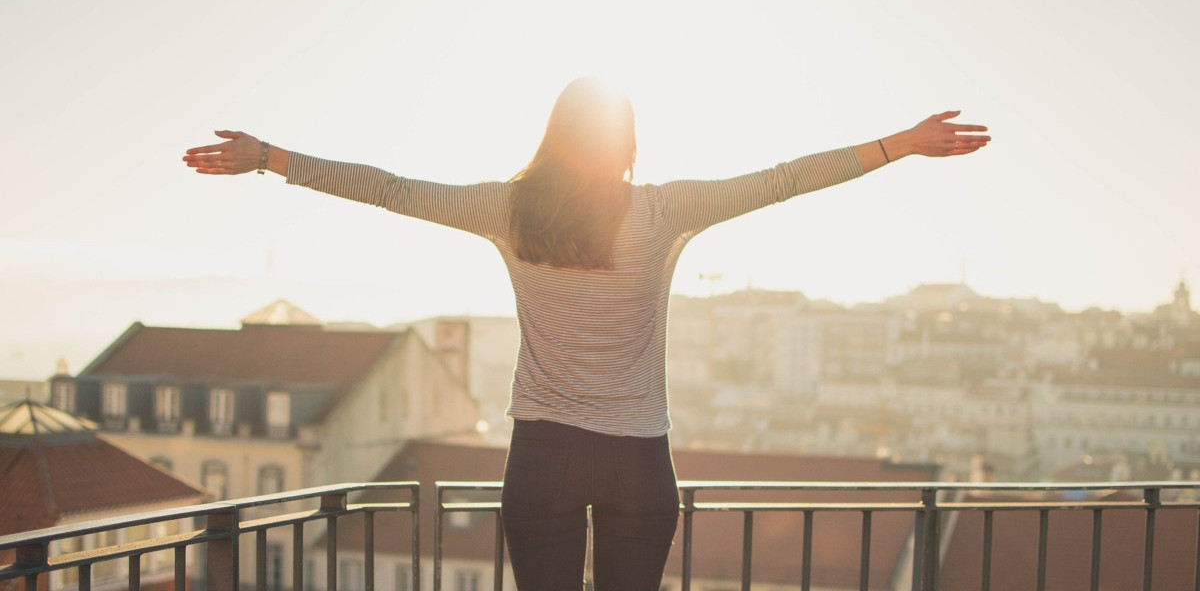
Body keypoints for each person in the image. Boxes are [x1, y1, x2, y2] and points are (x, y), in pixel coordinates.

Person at [183, 77, 989, 590]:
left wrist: (270, 158)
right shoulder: (664, 210)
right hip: (639, 458)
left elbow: (392, 191)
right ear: (628, 144)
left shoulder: (507, 208)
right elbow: (780, 182)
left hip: (543, 455)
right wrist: (900, 146)